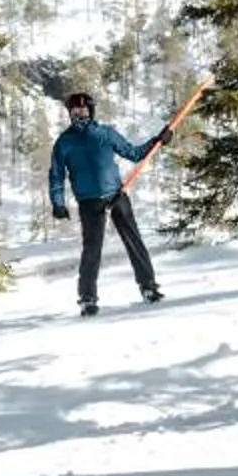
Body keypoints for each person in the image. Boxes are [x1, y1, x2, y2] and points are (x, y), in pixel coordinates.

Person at [49, 90, 166, 316]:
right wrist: (57, 202)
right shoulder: (64, 142)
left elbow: (133, 153)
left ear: (90, 110)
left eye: (82, 108)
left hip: (116, 194)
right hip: (89, 202)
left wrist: (157, 141)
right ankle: (87, 298)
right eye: (74, 109)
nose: (78, 112)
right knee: (92, 250)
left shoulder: (106, 133)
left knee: (134, 241)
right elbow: (56, 175)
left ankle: (148, 287)